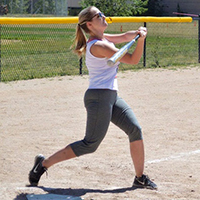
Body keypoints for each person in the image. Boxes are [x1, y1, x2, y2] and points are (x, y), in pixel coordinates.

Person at [29, 6, 157, 190]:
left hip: (111, 95)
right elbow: (133, 59)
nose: (104, 16)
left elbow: (123, 37)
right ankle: (42, 165)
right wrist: (142, 40)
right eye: (99, 15)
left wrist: (137, 33)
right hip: (99, 98)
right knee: (90, 144)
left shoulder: (103, 39)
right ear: (90, 24)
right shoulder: (99, 45)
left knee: (135, 129)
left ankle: (139, 177)